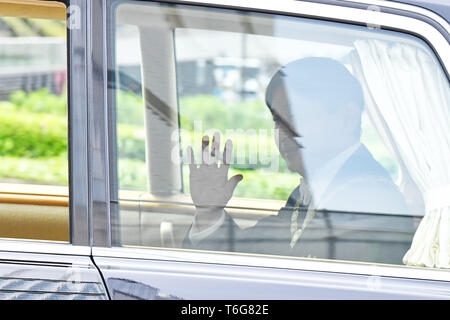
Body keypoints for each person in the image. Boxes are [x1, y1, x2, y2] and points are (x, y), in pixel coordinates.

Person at [183, 57, 415, 264]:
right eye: (276, 121)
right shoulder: (310, 188)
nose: (281, 134)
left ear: (346, 118)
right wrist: (209, 213)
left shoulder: (370, 203)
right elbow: (257, 250)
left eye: (294, 117)